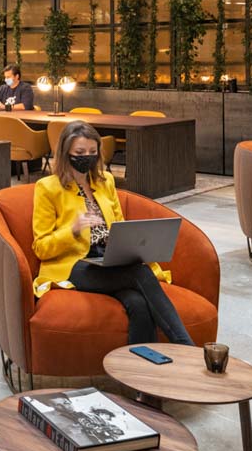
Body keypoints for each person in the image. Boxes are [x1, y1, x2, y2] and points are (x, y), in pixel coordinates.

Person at [29, 121, 194, 347]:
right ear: (66, 153)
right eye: (79, 152)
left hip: (108, 261)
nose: (86, 156)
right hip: (73, 266)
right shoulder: (47, 187)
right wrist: (73, 230)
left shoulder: (105, 181)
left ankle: (140, 371)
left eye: (92, 152)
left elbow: (119, 224)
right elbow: (41, 248)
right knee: (141, 274)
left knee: (137, 303)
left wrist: (122, 241)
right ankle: (187, 348)